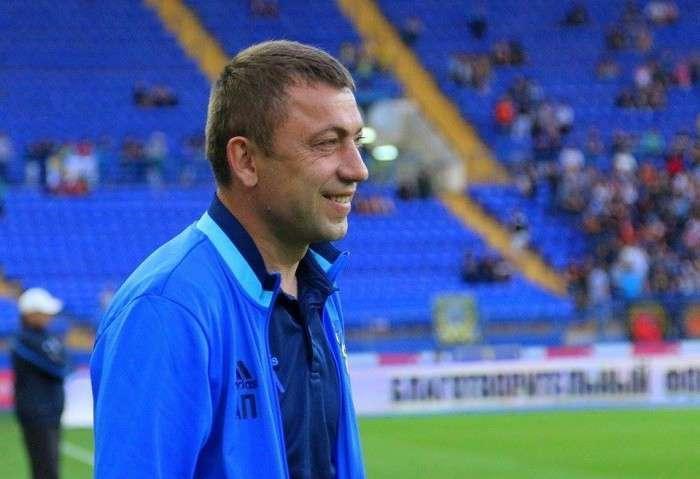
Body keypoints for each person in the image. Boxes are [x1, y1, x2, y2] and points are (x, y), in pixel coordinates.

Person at [91, 40, 369, 478]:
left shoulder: (317, 287)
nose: (357, 169)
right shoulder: (167, 308)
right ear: (245, 160)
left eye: (357, 141)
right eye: (327, 143)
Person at [11, 288, 67, 479]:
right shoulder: (22, 341)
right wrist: (59, 363)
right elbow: (58, 368)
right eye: (44, 312)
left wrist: (60, 363)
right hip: (36, 413)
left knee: (51, 467)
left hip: (53, 411)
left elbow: (66, 362)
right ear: (30, 314)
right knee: (45, 469)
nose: (49, 316)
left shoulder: (48, 337)